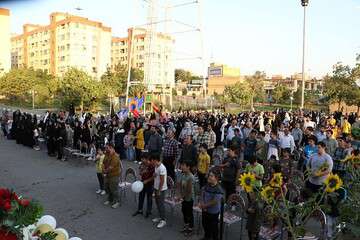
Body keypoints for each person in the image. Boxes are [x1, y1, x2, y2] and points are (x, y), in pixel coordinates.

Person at [199, 168, 223, 240]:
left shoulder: (218, 189)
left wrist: (204, 206)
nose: (209, 177)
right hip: (205, 210)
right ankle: (207, 237)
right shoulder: (206, 185)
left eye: (211, 176)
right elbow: (202, 193)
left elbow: (214, 201)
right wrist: (202, 202)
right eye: (209, 175)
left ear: (216, 178)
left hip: (213, 213)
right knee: (205, 225)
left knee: (214, 228)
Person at [133, 152, 155, 218]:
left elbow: (154, 177)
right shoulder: (142, 164)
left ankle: (149, 211)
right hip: (142, 182)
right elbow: (140, 173)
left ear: (147, 158)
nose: (142, 160)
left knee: (149, 197)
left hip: (150, 183)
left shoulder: (151, 165)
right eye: (141, 159)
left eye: (143, 159)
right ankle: (140, 210)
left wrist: (147, 180)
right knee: (141, 196)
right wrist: (141, 171)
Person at [177, 161, 195, 236]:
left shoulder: (191, 177)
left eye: (183, 165)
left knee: (189, 213)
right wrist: (179, 194)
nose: (182, 167)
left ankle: (191, 228)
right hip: (183, 197)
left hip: (189, 198)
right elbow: (179, 184)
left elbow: (189, 190)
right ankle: (186, 225)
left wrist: (181, 197)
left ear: (188, 167)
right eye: (181, 165)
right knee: (184, 211)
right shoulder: (183, 174)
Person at [151, 154, 168, 229]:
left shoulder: (162, 168)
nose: (151, 162)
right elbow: (156, 176)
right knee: (157, 203)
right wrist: (154, 175)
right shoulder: (156, 166)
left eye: (152, 161)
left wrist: (159, 190)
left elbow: (162, 180)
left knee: (161, 204)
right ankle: (160, 216)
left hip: (161, 188)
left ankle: (163, 220)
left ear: (155, 160)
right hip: (156, 187)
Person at [103, 143, 121, 209]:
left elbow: (111, 167)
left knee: (114, 189)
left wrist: (105, 171)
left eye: (107, 148)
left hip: (114, 175)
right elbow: (104, 162)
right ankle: (110, 199)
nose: (105, 149)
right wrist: (103, 169)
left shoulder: (115, 156)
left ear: (111, 148)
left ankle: (117, 202)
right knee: (106, 187)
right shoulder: (107, 154)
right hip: (107, 174)